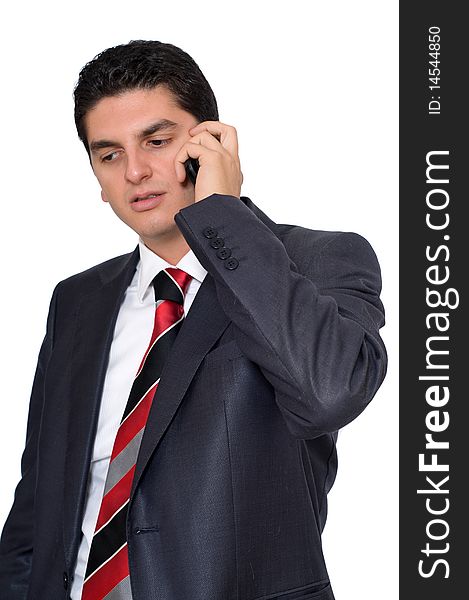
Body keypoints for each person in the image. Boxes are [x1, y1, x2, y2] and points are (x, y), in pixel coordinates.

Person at [0, 40, 387, 600]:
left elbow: (328, 392)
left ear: (209, 141)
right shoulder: (77, 301)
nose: (135, 171)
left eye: (156, 142)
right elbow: (38, 507)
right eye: (108, 154)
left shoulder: (317, 262)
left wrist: (223, 216)